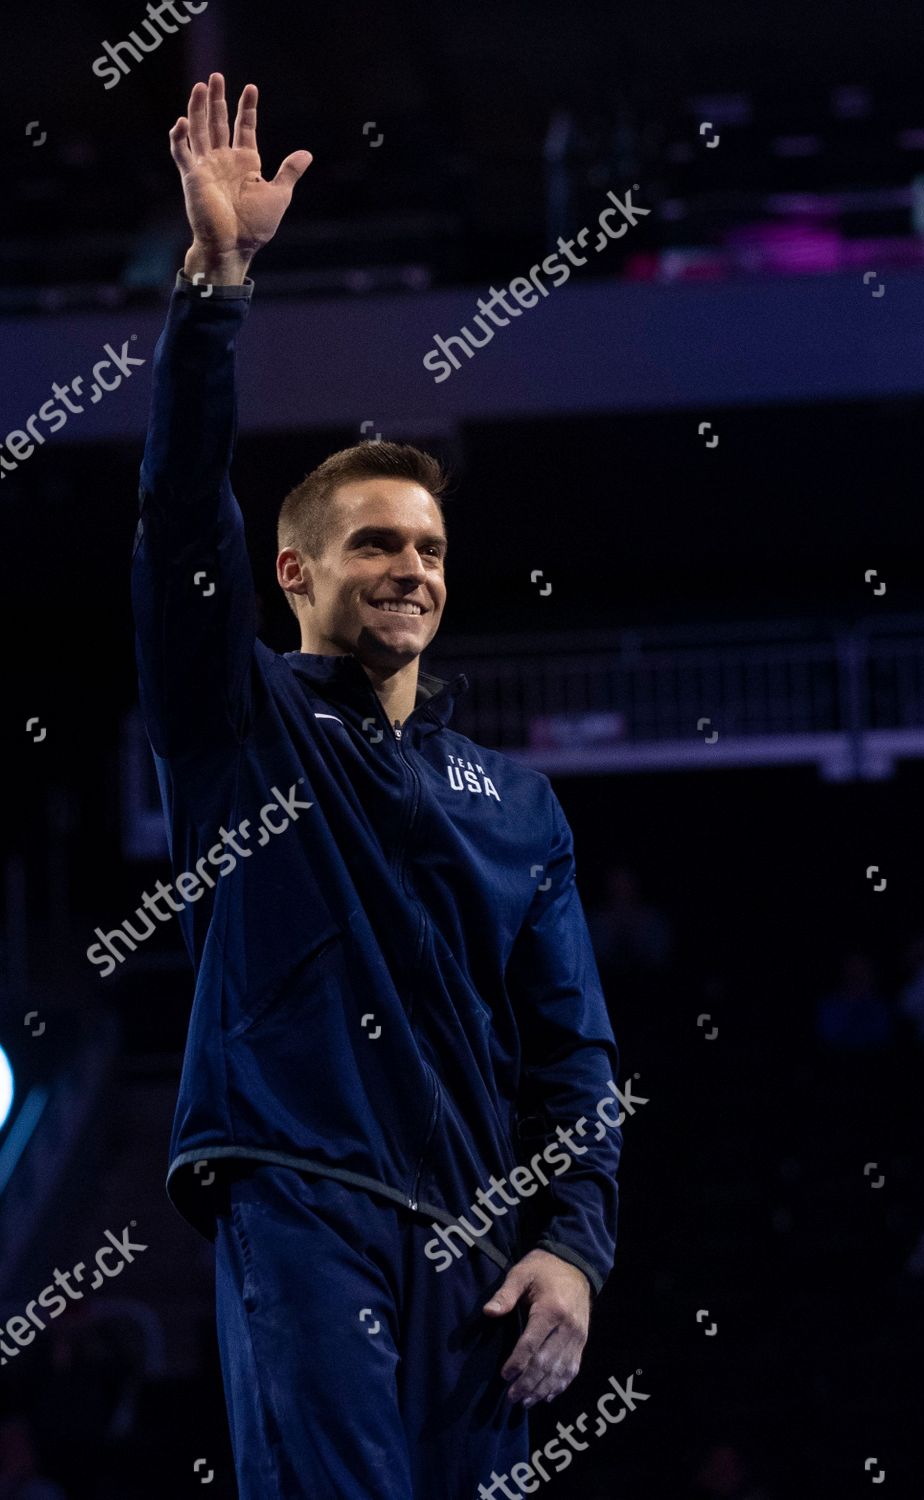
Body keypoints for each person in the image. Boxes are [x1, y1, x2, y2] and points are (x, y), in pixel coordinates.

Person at [131, 73, 623, 1499]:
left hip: (477, 1255)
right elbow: (176, 525)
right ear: (293, 574)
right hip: (304, 1202)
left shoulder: (519, 805)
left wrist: (575, 1251)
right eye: (374, 546)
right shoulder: (238, 719)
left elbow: (574, 1055)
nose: (412, 569)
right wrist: (213, 300)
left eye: (429, 551)